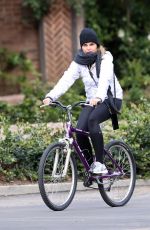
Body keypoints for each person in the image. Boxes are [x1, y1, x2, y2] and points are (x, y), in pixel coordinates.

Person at [42, 27, 123, 174]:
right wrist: (51, 96)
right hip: (92, 100)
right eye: (85, 45)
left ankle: (100, 164)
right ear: (81, 47)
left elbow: (104, 80)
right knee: (79, 131)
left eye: (91, 44)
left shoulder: (105, 59)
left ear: (97, 45)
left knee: (92, 120)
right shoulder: (79, 62)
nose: (88, 48)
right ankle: (92, 169)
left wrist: (98, 97)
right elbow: (66, 80)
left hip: (111, 99)